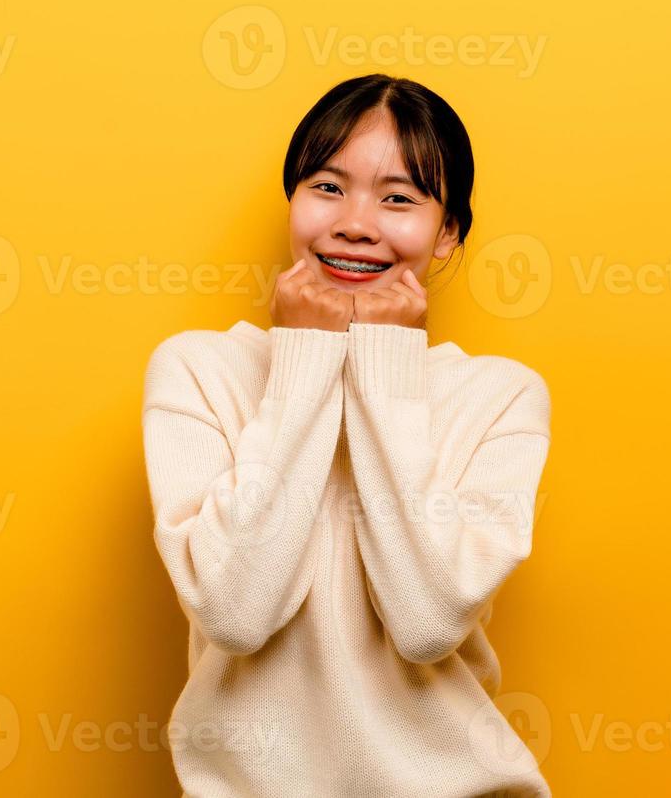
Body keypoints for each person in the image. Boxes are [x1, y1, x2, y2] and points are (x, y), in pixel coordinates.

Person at [142, 73, 552, 796]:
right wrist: (304, 360)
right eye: (327, 188)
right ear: (293, 202)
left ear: (448, 232)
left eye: (398, 198)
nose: (355, 223)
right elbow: (237, 614)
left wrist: (384, 365)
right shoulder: (197, 371)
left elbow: (426, 621)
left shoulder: (500, 396)